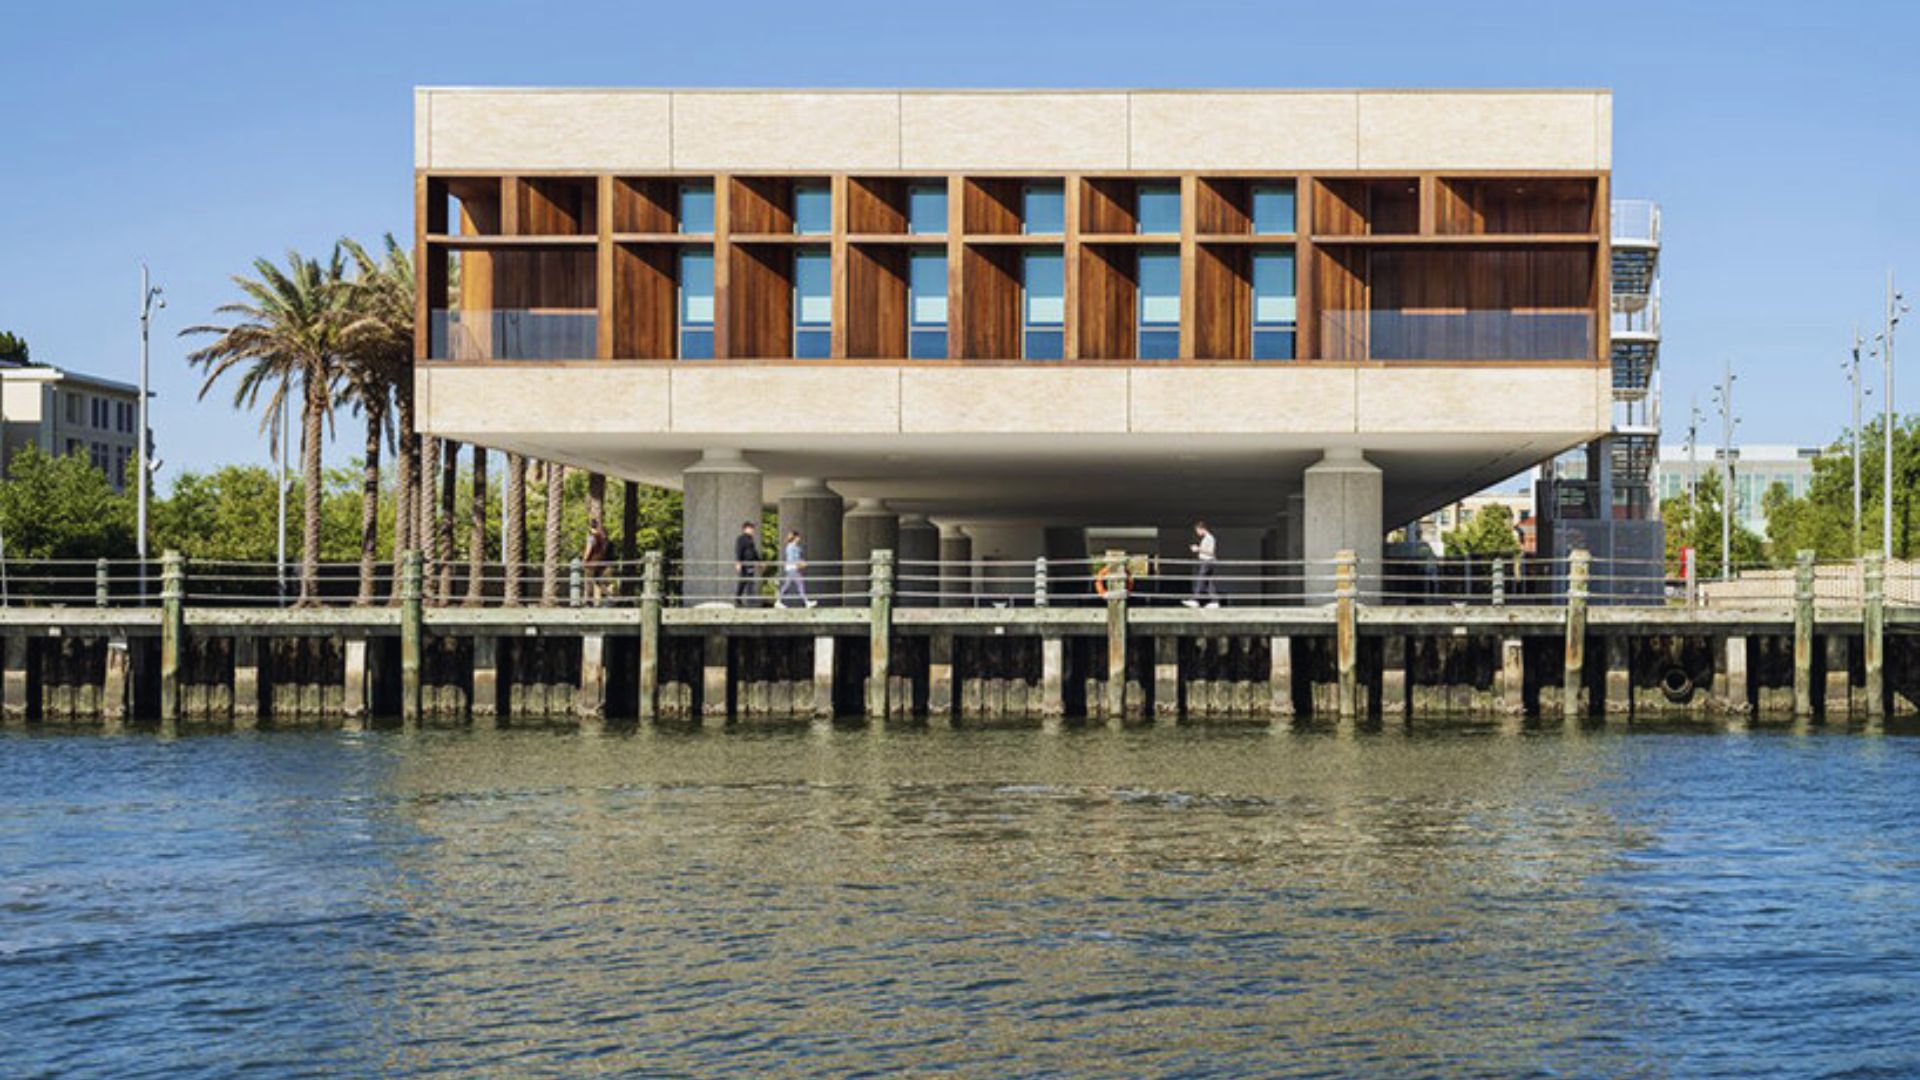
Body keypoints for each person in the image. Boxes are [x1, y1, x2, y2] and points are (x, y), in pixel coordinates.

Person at [775, 529, 818, 608]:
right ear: (795, 537)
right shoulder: (791, 547)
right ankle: (806, 602)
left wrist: (801, 562)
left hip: (792, 568)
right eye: (798, 537)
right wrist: (800, 564)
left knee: (787, 585)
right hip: (792, 568)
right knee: (799, 584)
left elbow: (796, 557)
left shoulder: (794, 546)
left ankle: (778, 601)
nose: (799, 538)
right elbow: (792, 559)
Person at [1184, 520, 1220, 608]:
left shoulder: (1209, 538)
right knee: (1208, 582)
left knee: (1201, 579)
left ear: (1202, 529)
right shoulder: (1206, 538)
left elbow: (1211, 552)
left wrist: (1198, 549)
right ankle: (1215, 601)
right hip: (1206, 561)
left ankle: (1195, 600)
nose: (1197, 533)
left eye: (1197, 531)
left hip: (1207, 561)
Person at [582, 517, 611, 605]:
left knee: (589, 581)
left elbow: (589, 548)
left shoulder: (591, 536)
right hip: (600, 561)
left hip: (592, 562)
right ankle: (607, 596)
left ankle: (589, 601)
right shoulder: (601, 536)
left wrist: (585, 559)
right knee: (598, 580)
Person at [733, 521, 761, 606]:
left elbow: (754, 552)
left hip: (750, 563)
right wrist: (738, 562)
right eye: (751, 528)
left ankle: (749, 602)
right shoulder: (741, 538)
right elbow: (739, 550)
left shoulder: (750, 539)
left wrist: (759, 562)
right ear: (745, 529)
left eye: (753, 528)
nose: (753, 530)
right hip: (744, 563)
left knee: (749, 582)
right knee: (743, 582)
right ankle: (738, 600)